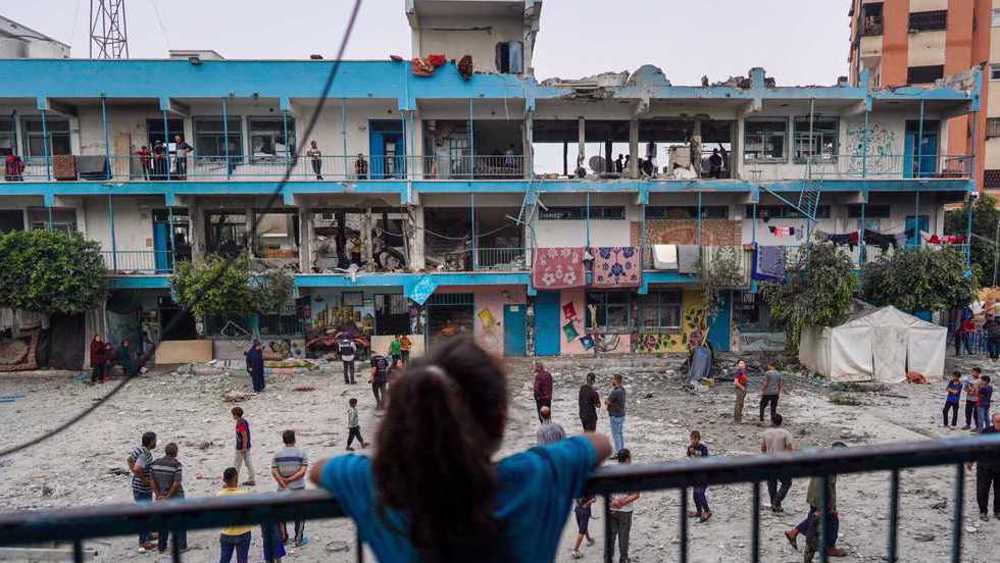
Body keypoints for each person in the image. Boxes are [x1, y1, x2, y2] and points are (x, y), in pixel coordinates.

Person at [309, 337, 612, 563]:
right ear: (502, 417)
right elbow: (600, 443)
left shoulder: (379, 486)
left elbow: (319, 470)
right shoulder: (535, 475)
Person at [784, 442, 848, 558]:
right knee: (831, 522)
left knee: (812, 519)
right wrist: (828, 507)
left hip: (814, 496)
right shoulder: (831, 466)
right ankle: (830, 548)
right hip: (821, 500)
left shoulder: (824, 459)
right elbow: (827, 488)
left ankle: (794, 533)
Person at [272, 430, 309, 546]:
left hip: (282, 488)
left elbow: (274, 471)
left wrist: (283, 482)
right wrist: (291, 479)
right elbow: (302, 471)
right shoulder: (301, 453)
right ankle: (298, 539)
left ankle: (283, 538)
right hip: (298, 487)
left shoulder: (277, 454)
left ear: (283, 440)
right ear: (294, 439)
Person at [150, 442, 187, 554]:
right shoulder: (176, 465)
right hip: (175, 496)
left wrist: (158, 494)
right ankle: (181, 545)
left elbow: (152, 481)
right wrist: (168, 496)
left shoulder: (154, 463)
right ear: (175, 453)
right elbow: (176, 483)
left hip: (161, 496)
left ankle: (161, 546)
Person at [127, 431, 157, 552]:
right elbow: (137, 468)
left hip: (138, 486)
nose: (156, 443)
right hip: (142, 488)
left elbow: (129, 460)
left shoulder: (138, 449)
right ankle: (144, 541)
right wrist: (144, 480)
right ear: (151, 442)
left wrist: (135, 474)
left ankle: (148, 535)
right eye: (155, 440)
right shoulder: (144, 454)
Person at [608, 449, 639, 563]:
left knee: (611, 535)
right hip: (625, 510)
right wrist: (623, 502)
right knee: (624, 536)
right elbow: (636, 494)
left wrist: (613, 501)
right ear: (627, 459)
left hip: (612, 508)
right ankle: (623, 558)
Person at [761, 413, 795, 513]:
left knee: (772, 484)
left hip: (769, 461)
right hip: (782, 461)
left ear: (772, 421)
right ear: (781, 421)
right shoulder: (785, 433)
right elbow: (789, 449)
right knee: (787, 483)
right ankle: (777, 502)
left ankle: (774, 504)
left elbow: (763, 449)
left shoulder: (766, 433)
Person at [218, 467, 252, 563]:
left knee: (224, 559)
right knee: (242, 560)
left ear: (224, 480)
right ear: (236, 478)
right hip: (243, 531)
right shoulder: (244, 494)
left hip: (227, 532)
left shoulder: (220, 495)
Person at [973, 412, 1000, 520]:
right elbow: (977, 447)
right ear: (993, 422)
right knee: (982, 490)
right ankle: (983, 511)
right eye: (998, 422)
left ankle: (997, 511)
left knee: (999, 491)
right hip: (985, 467)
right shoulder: (986, 433)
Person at [686, 431, 711, 522]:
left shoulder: (703, 448)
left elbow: (705, 458)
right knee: (695, 495)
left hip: (704, 475)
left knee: (700, 493)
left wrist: (695, 453)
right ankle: (699, 511)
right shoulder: (689, 448)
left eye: (695, 439)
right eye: (692, 439)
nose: (693, 441)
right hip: (695, 475)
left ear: (699, 439)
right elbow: (688, 456)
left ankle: (707, 511)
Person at [232, 407, 256, 486]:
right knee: (248, 462)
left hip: (241, 447)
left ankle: (233, 482)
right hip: (246, 446)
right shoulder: (243, 421)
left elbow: (244, 436)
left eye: (233, 414)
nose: (232, 416)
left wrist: (243, 448)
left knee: (236, 464)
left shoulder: (240, 423)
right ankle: (252, 479)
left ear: (236, 415)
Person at [570, 494, 596, 559]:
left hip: (577, 510)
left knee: (583, 527)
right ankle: (575, 550)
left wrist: (577, 503)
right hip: (584, 511)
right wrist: (587, 503)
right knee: (582, 531)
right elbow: (594, 499)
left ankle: (589, 539)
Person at [607, 374, 627, 453]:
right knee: (620, 434)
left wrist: (606, 401)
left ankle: (618, 452)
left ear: (616, 380)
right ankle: (621, 450)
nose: (612, 381)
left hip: (615, 415)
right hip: (621, 414)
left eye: (613, 379)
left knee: (616, 435)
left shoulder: (615, 391)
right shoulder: (622, 389)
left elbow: (608, 401)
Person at [734, 360, 749, 424]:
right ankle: (737, 419)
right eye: (740, 363)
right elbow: (735, 382)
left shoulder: (744, 372)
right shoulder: (738, 372)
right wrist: (742, 387)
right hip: (740, 389)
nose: (742, 364)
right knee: (739, 404)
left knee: (741, 404)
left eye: (743, 363)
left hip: (743, 388)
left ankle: (739, 417)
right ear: (738, 365)